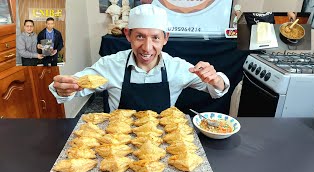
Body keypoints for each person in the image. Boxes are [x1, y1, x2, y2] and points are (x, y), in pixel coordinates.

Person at [49, 4, 230, 113]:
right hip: (118, 144)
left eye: (155, 38)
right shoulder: (109, 65)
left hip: (161, 143)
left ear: (165, 38)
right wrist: (64, 88)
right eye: (140, 36)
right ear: (128, 35)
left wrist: (215, 80)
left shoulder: (178, 68)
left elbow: (216, 89)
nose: (147, 47)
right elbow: (76, 86)